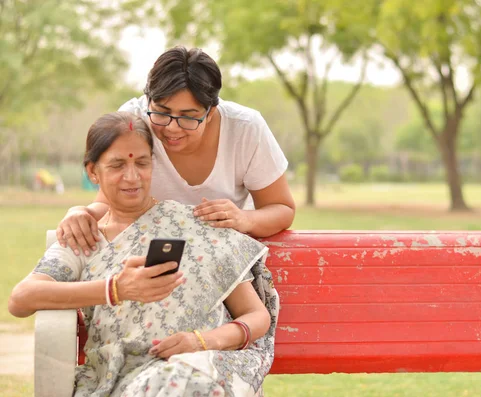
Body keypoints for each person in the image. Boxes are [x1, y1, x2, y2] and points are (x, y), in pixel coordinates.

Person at [9, 112, 279, 397]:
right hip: (124, 379)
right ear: (92, 172)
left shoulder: (196, 225)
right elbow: (21, 299)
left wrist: (202, 341)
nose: (132, 176)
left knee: (181, 380)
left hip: (206, 368)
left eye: (142, 163)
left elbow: (256, 315)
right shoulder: (85, 237)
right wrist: (115, 289)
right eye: (117, 165)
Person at [58, 46, 295, 257]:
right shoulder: (132, 123)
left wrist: (244, 218)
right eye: (161, 112)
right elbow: (109, 204)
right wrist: (81, 212)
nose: (172, 128)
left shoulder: (245, 129)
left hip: (220, 255)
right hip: (149, 256)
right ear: (148, 100)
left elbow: (282, 209)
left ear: (210, 112)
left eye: (188, 117)